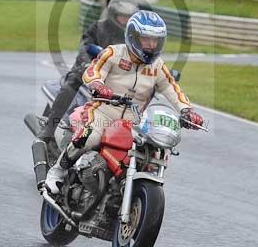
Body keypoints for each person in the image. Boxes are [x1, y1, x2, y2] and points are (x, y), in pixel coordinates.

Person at [45, 10, 204, 194]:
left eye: (155, 40)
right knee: (89, 137)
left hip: (133, 122)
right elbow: (93, 71)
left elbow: (172, 89)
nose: (152, 45)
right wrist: (98, 85)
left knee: (151, 152)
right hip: (102, 111)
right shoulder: (114, 53)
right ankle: (58, 170)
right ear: (133, 36)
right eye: (146, 39)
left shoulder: (157, 66)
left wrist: (186, 111)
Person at [36, 0, 140, 149]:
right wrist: (86, 63)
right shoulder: (98, 28)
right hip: (90, 72)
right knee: (72, 83)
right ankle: (49, 129)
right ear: (113, 14)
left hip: (117, 78)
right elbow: (84, 46)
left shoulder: (134, 37)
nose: (124, 20)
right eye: (121, 16)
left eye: (128, 17)